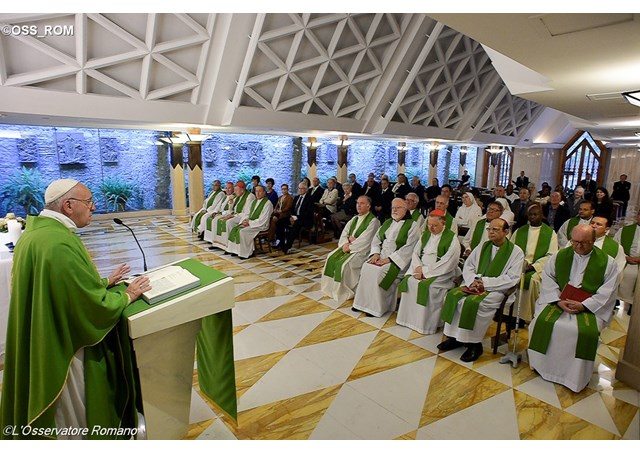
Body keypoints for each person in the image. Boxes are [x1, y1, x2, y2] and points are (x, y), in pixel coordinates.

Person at [0, 179, 151, 439]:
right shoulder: (58, 243)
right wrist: (126, 296)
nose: (94, 207)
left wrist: (103, 282)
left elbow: (62, 287)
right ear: (68, 206)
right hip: (64, 347)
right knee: (72, 417)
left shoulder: (39, 234)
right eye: (89, 201)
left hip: (45, 333)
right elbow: (87, 305)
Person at [527, 225, 619, 392]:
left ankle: (573, 377)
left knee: (582, 332)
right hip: (559, 302)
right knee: (539, 323)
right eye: (574, 241)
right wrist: (557, 300)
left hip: (589, 308)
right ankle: (542, 367)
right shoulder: (560, 255)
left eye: (584, 242)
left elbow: (608, 291)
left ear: (594, 241)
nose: (578, 246)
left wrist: (584, 305)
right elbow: (548, 278)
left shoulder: (608, 263)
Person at [438, 218, 524, 362]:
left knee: (473, 304)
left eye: (495, 229)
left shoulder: (516, 252)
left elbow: (512, 278)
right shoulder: (483, 246)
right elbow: (469, 265)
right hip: (474, 284)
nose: (491, 232)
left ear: (506, 231)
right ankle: (454, 337)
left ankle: (474, 345)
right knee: (452, 296)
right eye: (489, 229)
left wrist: (484, 282)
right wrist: (473, 280)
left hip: (497, 289)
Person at [352, 198, 420, 317]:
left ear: (405, 209)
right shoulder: (388, 222)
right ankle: (361, 304)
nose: (394, 210)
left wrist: (389, 260)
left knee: (379, 272)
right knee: (366, 267)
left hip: (398, 262)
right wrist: (376, 254)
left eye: (398, 207)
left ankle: (376, 308)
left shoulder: (412, 225)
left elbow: (409, 248)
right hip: (381, 256)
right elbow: (376, 239)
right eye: (393, 207)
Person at [396, 210, 461, 334]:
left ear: (443, 223)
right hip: (420, 269)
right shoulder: (425, 235)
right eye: (429, 224)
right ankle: (408, 320)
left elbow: (449, 261)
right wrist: (418, 267)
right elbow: (416, 253)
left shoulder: (452, 238)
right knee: (409, 281)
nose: (431, 228)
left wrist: (425, 272)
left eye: (435, 225)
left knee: (427, 286)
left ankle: (425, 325)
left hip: (442, 273)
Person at [321, 196, 380, 304]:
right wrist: (345, 244)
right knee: (330, 258)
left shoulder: (374, 221)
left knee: (345, 264)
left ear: (368, 206)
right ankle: (331, 288)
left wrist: (350, 246)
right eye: (357, 203)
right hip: (349, 246)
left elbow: (366, 240)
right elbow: (345, 233)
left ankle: (344, 291)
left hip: (361, 251)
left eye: (362, 203)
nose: (358, 205)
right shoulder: (354, 219)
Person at [510, 204, 558, 322]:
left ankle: (526, 316)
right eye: (530, 215)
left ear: (542, 215)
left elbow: (551, 255)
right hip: (519, 264)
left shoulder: (550, 233)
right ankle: (509, 313)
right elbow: (511, 249)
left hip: (537, 267)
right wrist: (519, 263)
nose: (532, 217)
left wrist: (533, 266)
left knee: (532, 281)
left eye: (535, 214)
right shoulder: (519, 231)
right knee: (509, 277)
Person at [226, 185, 274, 259]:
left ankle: (246, 253)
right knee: (235, 229)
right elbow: (247, 214)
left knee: (242, 231)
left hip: (261, 225)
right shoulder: (254, 202)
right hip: (252, 222)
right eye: (256, 191)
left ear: (264, 192)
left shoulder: (268, 204)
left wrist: (249, 222)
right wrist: (245, 220)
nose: (257, 193)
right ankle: (236, 251)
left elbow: (263, 219)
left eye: (260, 191)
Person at [209, 180, 255, 250]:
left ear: (242, 190)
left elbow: (247, 213)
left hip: (243, 217)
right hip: (235, 215)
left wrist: (232, 215)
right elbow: (232, 209)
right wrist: (231, 202)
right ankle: (217, 243)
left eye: (236, 190)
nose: (235, 192)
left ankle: (228, 245)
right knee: (216, 220)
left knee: (228, 222)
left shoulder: (250, 197)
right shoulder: (238, 196)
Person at [614, 210, 640, 315]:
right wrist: (625, 257)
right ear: (637, 216)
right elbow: (616, 245)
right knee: (619, 276)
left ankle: (634, 305)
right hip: (625, 260)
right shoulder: (624, 230)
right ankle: (615, 300)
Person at [279, 182, 315, 254]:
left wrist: (296, 218)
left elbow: (308, 213)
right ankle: (281, 243)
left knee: (295, 225)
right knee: (279, 222)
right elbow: (292, 209)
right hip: (294, 217)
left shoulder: (310, 198)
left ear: (306, 189)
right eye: (299, 188)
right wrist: (292, 217)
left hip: (305, 219)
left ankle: (287, 246)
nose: (300, 190)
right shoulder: (296, 197)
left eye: (302, 188)